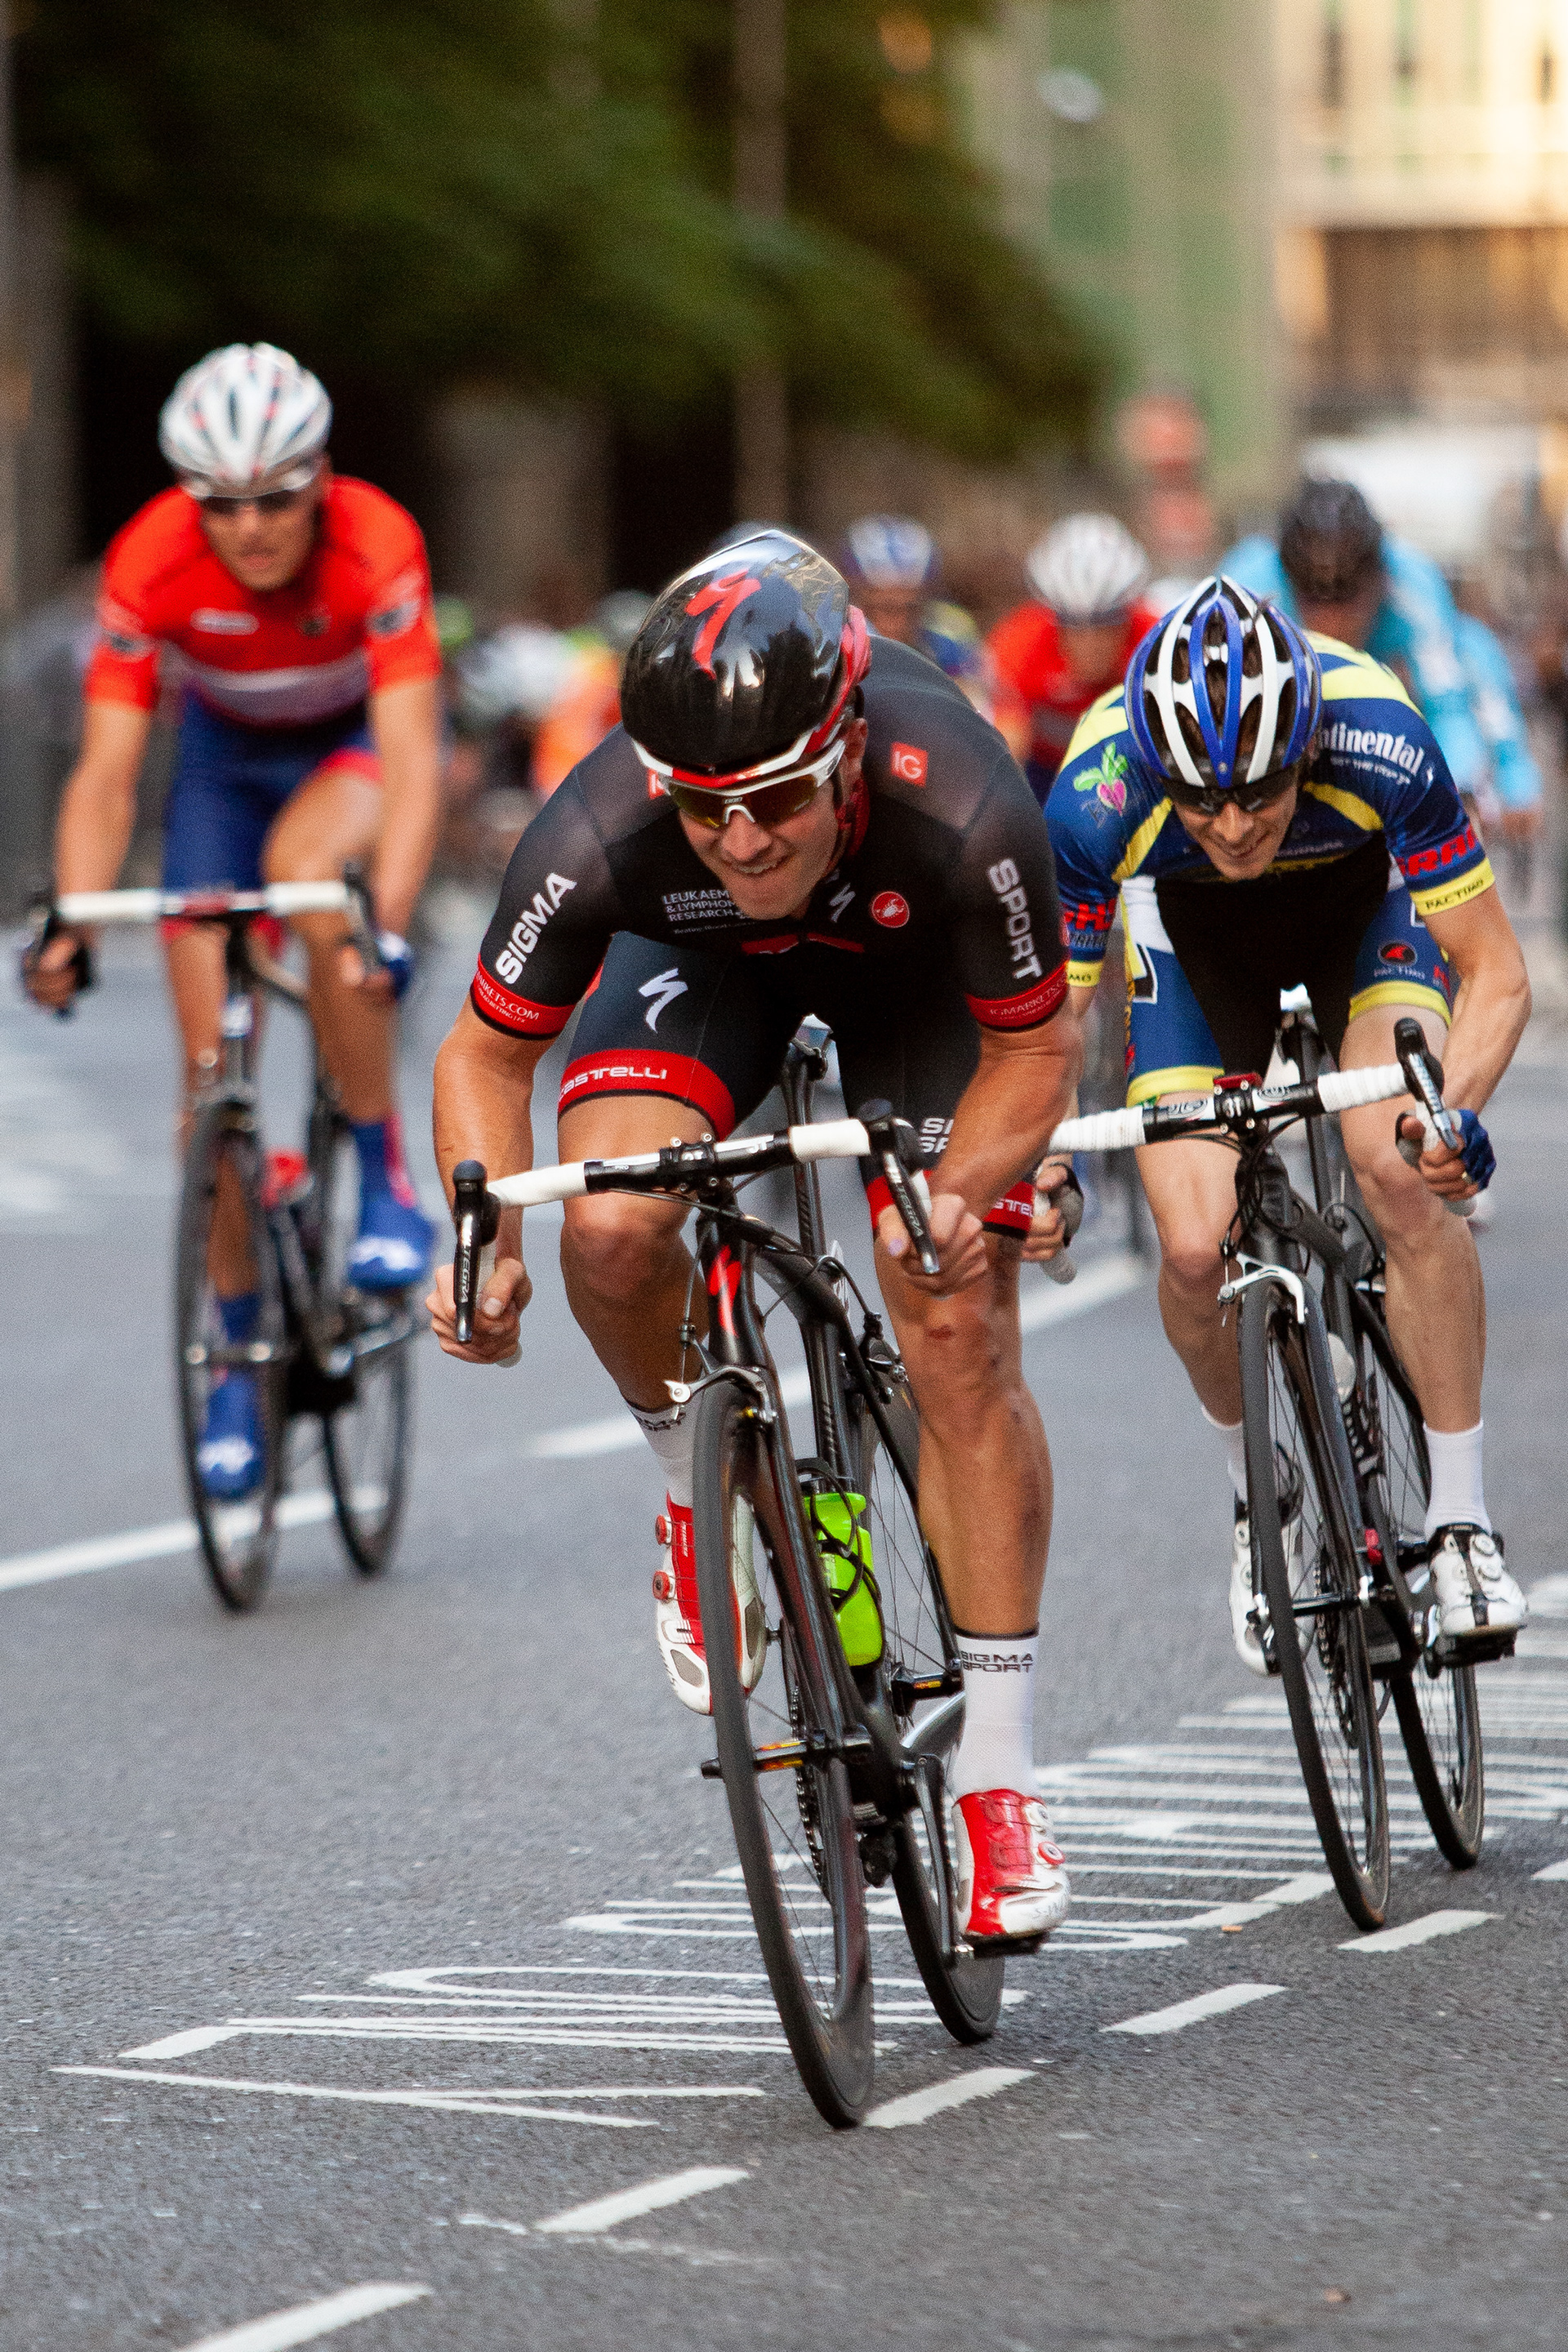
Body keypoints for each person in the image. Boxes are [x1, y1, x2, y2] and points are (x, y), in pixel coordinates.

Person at [427, 529, 1083, 1948]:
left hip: (914, 978)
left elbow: (1039, 1052)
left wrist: (960, 1194)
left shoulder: (964, 798)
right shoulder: (605, 825)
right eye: (705, 810)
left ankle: (1001, 1784)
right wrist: (482, 1228)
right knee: (610, 1226)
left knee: (955, 1315)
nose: (740, 838)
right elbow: (484, 1056)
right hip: (701, 971)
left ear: (846, 747)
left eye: (776, 800)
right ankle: (694, 1488)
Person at [1039, 577, 1531, 1666]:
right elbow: (1046, 1026)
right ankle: (1259, 1502)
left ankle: (1459, 1525)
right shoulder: (1095, 794)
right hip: (1192, 944)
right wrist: (1040, 1171)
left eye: (1258, 795)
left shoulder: (1381, 735)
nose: (1231, 824)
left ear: (1304, 748)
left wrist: (1455, 1117)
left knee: (1395, 1167)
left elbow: (1496, 972)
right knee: (1188, 1243)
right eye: (1202, 801)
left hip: (1363, 914)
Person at [23, 342, 442, 1496]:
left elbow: (411, 759)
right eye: (221, 503)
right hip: (220, 766)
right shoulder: (150, 558)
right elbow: (108, 777)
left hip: (346, 749)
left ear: (320, 480)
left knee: (319, 894)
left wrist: (387, 926)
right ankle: (236, 1346)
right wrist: (68, 925)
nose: (251, 527)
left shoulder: (377, 539)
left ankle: (384, 1174)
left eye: (277, 498)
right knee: (206, 1078)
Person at [1225, 479, 1544, 842]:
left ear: (1379, 578)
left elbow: (1449, 706)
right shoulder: (1247, 583)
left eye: (1349, 599)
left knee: (1472, 642)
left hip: (1396, 721)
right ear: (1286, 579)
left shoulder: (1412, 582)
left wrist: (1475, 787)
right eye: (1314, 599)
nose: (1333, 622)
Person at [987, 514, 1160, 804]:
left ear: (1130, 616)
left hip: (1134, 768)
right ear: (1053, 617)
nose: (1090, 643)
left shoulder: (1155, 640)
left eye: (1107, 624)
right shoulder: (1020, 642)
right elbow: (1007, 749)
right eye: (1073, 626)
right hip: (1044, 771)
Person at [837, 514, 997, 719]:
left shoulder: (951, 632)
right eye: (884, 607)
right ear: (856, 597)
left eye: (910, 608)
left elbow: (984, 713)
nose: (895, 622)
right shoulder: (835, 633)